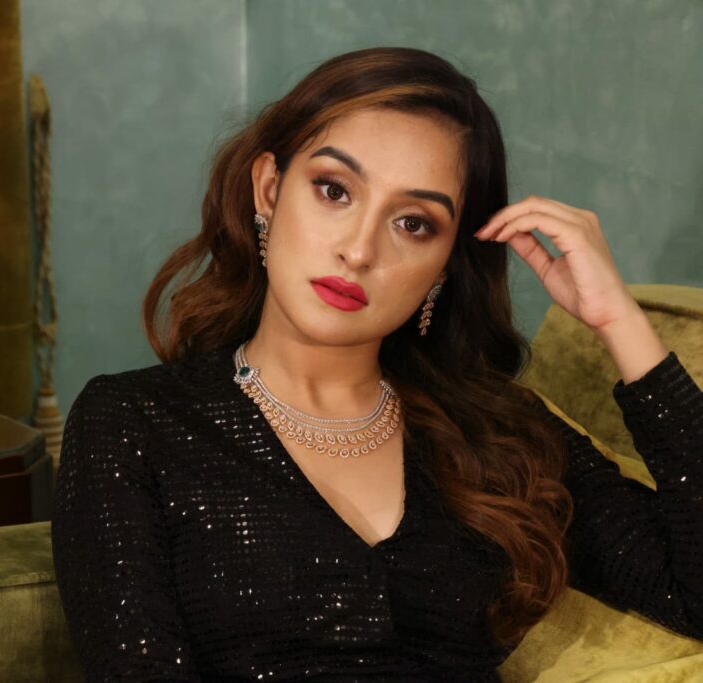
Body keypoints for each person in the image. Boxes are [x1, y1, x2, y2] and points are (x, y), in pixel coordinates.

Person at [51, 48, 702, 680]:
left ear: (445, 263)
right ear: (269, 190)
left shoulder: (500, 436)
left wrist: (619, 320)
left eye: (413, 224)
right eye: (334, 190)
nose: (359, 250)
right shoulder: (134, 423)